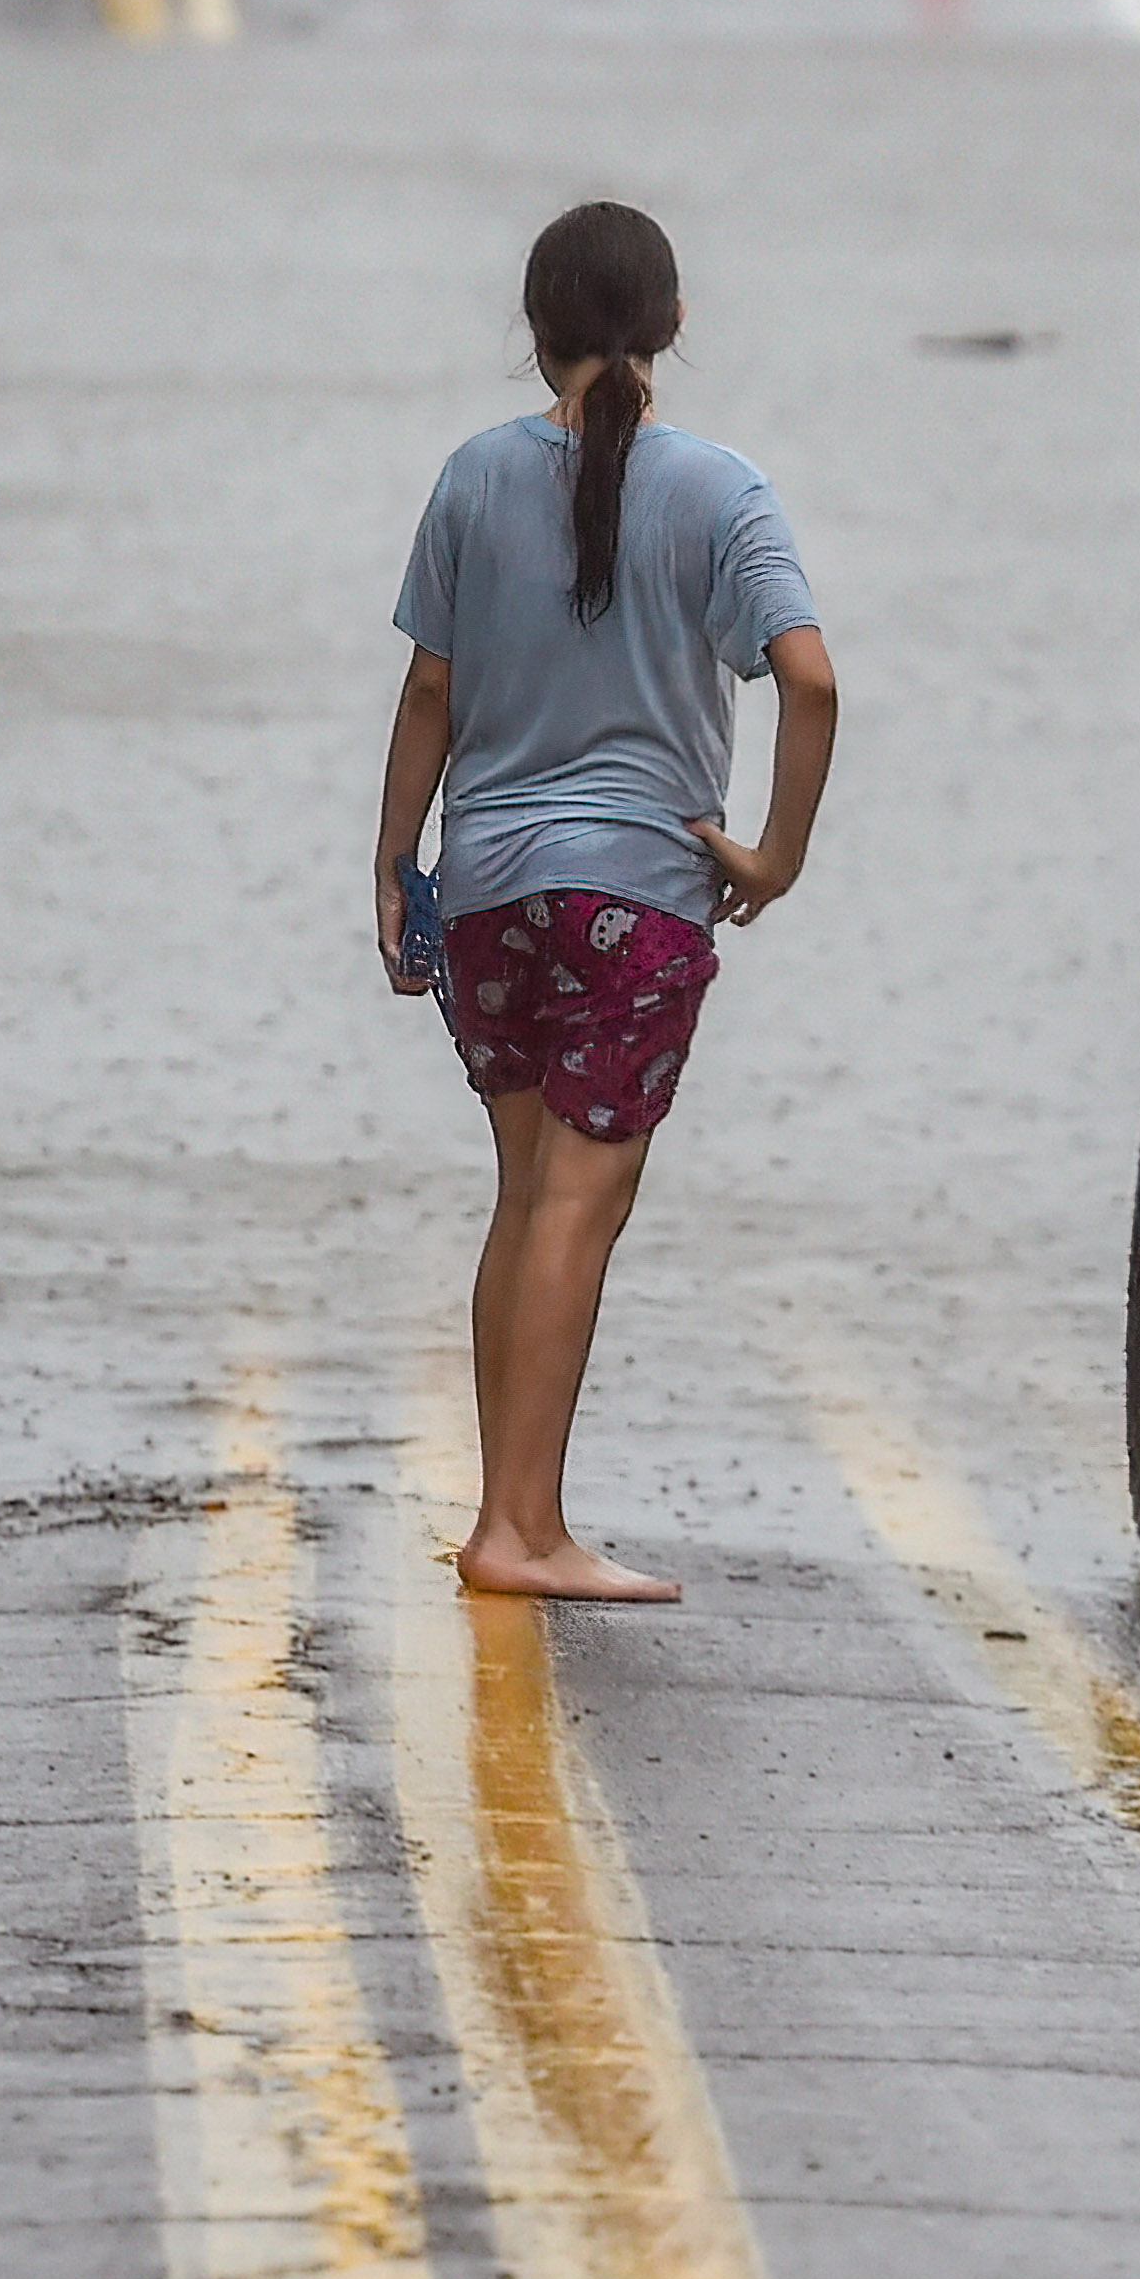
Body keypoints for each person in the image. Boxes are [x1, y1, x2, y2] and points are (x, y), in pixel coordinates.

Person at [375, 201, 837, 1603]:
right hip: (633, 894)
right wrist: (775, 853)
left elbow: (430, 692)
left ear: (536, 337)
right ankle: (524, 1532)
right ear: (675, 325)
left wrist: (396, 875)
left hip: (491, 889)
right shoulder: (722, 493)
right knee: (585, 1197)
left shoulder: (471, 479)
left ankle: (505, 1519)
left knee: (525, 1198)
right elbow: (808, 679)